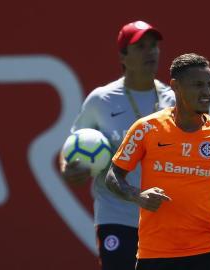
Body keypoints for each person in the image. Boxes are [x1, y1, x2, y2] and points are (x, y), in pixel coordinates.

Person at [105, 53, 210, 270]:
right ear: (175, 86)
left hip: (204, 252)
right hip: (154, 253)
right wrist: (137, 195)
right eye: (198, 85)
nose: (206, 92)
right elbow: (113, 175)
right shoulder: (146, 129)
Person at [59, 20, 175, 270]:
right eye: (141, 46)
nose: (151, 52)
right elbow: (74, 143)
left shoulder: (173, 101)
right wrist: (69, 168)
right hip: (116, 216)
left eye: (154, 46)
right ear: (123, 56)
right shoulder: (101, 100)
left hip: (164, 219)